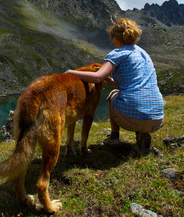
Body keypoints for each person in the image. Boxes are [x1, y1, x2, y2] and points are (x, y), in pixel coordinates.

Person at [66, 18, 164, 153]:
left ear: (115, 38)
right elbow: (124, 84)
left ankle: (114, 137)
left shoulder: (117, 53)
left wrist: (70, 72)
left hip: (132, 118)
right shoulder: (144, 54)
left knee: (113, 95)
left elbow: (97, 77)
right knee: (132, 96)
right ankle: (141, 134)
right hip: (157, 119)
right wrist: (108, 78)